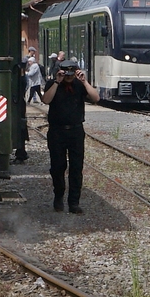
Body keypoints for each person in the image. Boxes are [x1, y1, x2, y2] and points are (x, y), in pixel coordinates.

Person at [42, 58, 98, 214]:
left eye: (71, 73)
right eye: (66, 72)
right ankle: (58, 196)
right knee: (57, 167)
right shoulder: (53, 84)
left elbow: (96, 98)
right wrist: (57, 82)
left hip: (75, 131)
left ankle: (74, 202)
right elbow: (46, 100)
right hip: (57, 131)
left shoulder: (79, 85)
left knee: (76, 168)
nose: (69, 76)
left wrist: (84, 81)